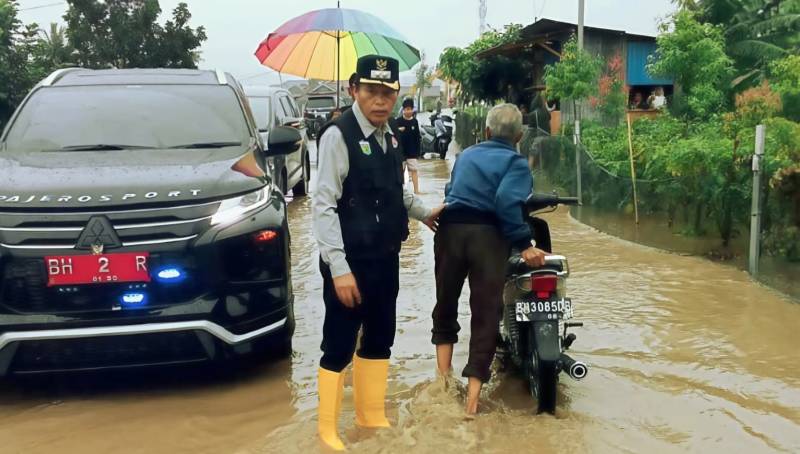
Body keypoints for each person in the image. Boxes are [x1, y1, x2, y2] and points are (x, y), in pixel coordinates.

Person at [312, 55, 444, 451]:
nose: (380, 100)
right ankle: (327, 431)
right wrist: (338, 269)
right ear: (354, 89)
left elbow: (394, 190)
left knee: (380, 337)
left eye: (388, 92)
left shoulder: (391, 136)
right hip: (349, 262)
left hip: (385, 257)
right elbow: (323, 205)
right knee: (338, 344)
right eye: (371, 91)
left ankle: (370, 417)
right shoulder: (338, 136)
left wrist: (424, 212)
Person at [431, 103, 547, 416]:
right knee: (485, 313)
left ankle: (443, 384)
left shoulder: (466, 155)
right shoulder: (516, 163)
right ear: (519, 136)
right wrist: (524, 244)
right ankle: (471, 404)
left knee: (445, 304)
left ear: (485, 131)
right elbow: (506, 201)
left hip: (450, 230)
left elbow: (451, 190)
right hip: (487, 237)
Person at [395, 98, 422, 194]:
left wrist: (418, 152)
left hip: (412, 152)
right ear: (403, 110)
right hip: (400, 152)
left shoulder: (415, 122)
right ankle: (400, 192)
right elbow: (393, 136)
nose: (409, 111)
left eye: (410, 109)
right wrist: (398, 130)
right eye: (407, 109)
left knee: (414, 170)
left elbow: (417, 138)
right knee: (400, 172)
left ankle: (416, 191)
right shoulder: (398, 121)